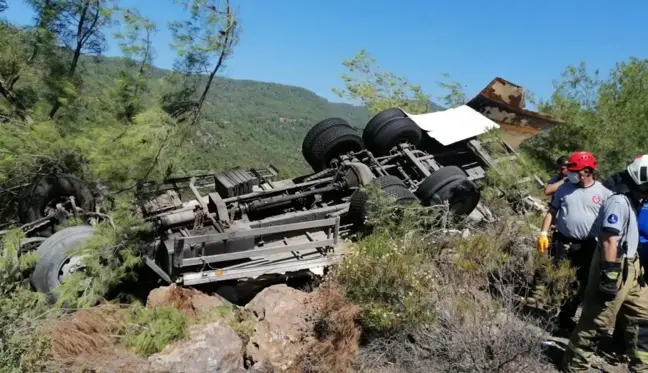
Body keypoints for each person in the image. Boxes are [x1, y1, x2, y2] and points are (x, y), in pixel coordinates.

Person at [562, 154, 648, 372]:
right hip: (615, 265)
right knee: (596, 321)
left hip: (632, 268)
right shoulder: (618, 201)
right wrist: (610, 275)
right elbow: (610, 239)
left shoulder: (634, 200)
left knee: (643, 317)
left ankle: (642, 366)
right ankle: (575, 366)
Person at [532, 151, 612, 332]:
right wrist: (543, 233)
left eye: (575, 170)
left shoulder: (604, 193)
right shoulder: (564, 189)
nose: (571, 173)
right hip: (562, 240)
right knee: (556, 275)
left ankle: (565, 316)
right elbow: (552, 211)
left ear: (587, 171)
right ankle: (549, 312)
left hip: (587, 245)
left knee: (579, 282)